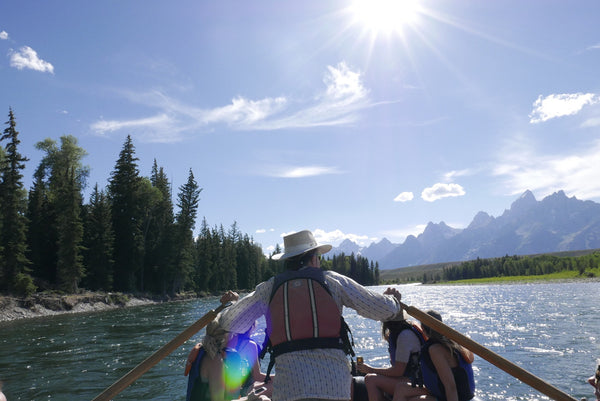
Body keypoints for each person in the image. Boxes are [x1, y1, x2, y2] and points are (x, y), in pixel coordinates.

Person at [218, 229, 404, 401]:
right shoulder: (333, 281)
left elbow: (228, 322)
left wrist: (232, 304)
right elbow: (381, 309)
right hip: (334, 389)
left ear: (287, 261)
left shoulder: (268, 288)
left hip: (288, 391)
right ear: (314, 259)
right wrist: (394, 301)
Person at [185, 299, 266, 401]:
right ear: (226, 335)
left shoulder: (205, 350)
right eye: (233, 332)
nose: (235, 335)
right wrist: (248, 399)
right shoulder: (214, 360)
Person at [392, 310, 475, 401]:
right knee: (401, 388)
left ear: (423, 329)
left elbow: (450, 386)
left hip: (455, 398)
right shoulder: (451, 341)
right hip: (441, 393)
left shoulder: (436, 350)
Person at [355, 313, 426, 401]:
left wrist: (370, 369)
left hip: (416, 381)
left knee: (370, 379)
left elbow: (398, 371)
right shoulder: (403, 331)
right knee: (375, 376)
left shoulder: (404, 336)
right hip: (410, 377)